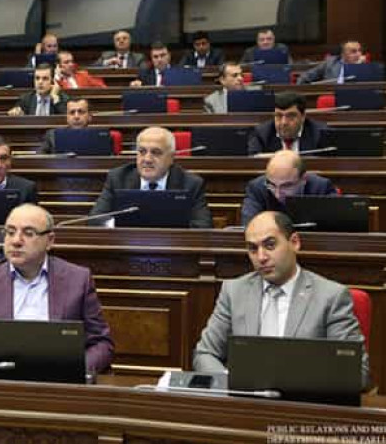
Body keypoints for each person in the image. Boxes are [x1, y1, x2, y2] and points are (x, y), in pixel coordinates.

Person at [193, 211, 369, 389]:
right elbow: (205, 354)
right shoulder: (234, 291)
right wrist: (231, 382)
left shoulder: (330, 296)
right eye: (253, 249)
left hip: (301, 402)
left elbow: (357, 372)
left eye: (270, 245)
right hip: (245, 400)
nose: (261, 257)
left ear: (294, 242)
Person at [0, 203, 114, 374]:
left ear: (49, 241)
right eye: (10, 232)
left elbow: (101, 343)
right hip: (1, 381)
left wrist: (73, 372)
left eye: (28, 233)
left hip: (60, 382)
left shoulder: (77, 280)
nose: (16, 241)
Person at [89, 126, 213, 228]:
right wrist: (121, 224)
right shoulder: (118, 178)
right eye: (142, 152)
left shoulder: (191, 184)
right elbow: (95, 220)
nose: (147, 159)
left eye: (156, 152)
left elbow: (204, 227)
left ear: (171, 158)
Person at [241, 150, 338, 226]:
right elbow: (249, 225)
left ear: (304, 179)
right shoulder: (257, 187)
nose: (278, 194)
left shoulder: (322, 188)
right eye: (272, 185)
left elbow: (335, 227)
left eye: (286, 186)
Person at [248, 91, 327, 155]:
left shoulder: (320, 134)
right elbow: (253, 162)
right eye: (279, 116)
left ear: (303, 116)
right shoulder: (262, 134)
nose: (284, 122)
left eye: (291, 116)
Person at [296, 40, 366, 84]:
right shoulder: (331, 63)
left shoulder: (364, 66)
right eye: (353, 51)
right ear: (343, 54)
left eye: (360, 50)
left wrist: (358, 66)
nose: (358, 54)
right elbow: (306, 76)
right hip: (331, 93)